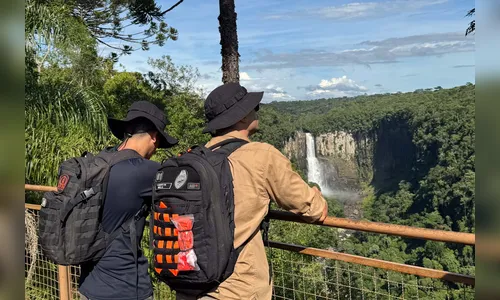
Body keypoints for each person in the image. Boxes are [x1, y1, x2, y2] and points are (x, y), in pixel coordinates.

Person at [199, 83, 328, 299]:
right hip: (238, 288)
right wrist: (317, 193)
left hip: (192, 283)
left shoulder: (198, 158)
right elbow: (313, 209)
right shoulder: (261, 155)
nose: (256, 111)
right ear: (241, 117)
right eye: (254, 108)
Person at [78, 101, 178, 300]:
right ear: (154, 137)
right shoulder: (146, 170)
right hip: (126, 288)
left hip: (88, 285)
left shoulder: (97, 164)